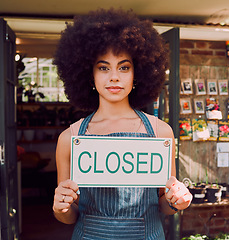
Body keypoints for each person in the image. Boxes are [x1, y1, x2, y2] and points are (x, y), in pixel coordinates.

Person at [52, 8, 192, 239]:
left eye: (124, 67)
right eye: (104, 67)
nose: (114, 77)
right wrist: (61, 207)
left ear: (138, 73)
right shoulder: (69, 138)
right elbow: (69, 216)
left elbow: (164, 206)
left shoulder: (160, 133)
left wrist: (177, 201)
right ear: (89, 74)